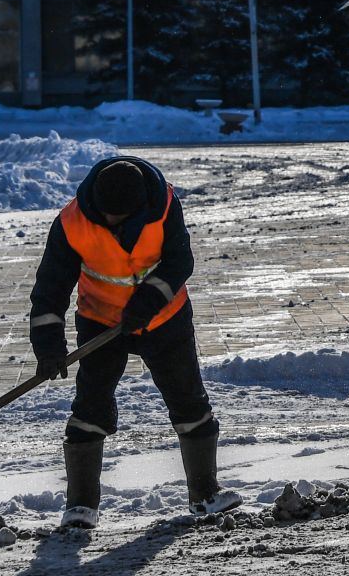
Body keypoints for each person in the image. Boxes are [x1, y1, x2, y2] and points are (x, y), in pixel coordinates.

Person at [29, 154, 241, 530]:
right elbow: (50, 287)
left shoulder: (163, 206)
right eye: (106, 216)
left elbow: (179, 261)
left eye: (119, 218)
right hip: (100, 320)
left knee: (188, 399)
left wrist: (147, 303)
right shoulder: (71, 222)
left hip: (164, 318)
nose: (110, 223)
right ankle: (79, 506)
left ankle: (205, 493)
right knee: (90, 405)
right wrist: (48, 346)